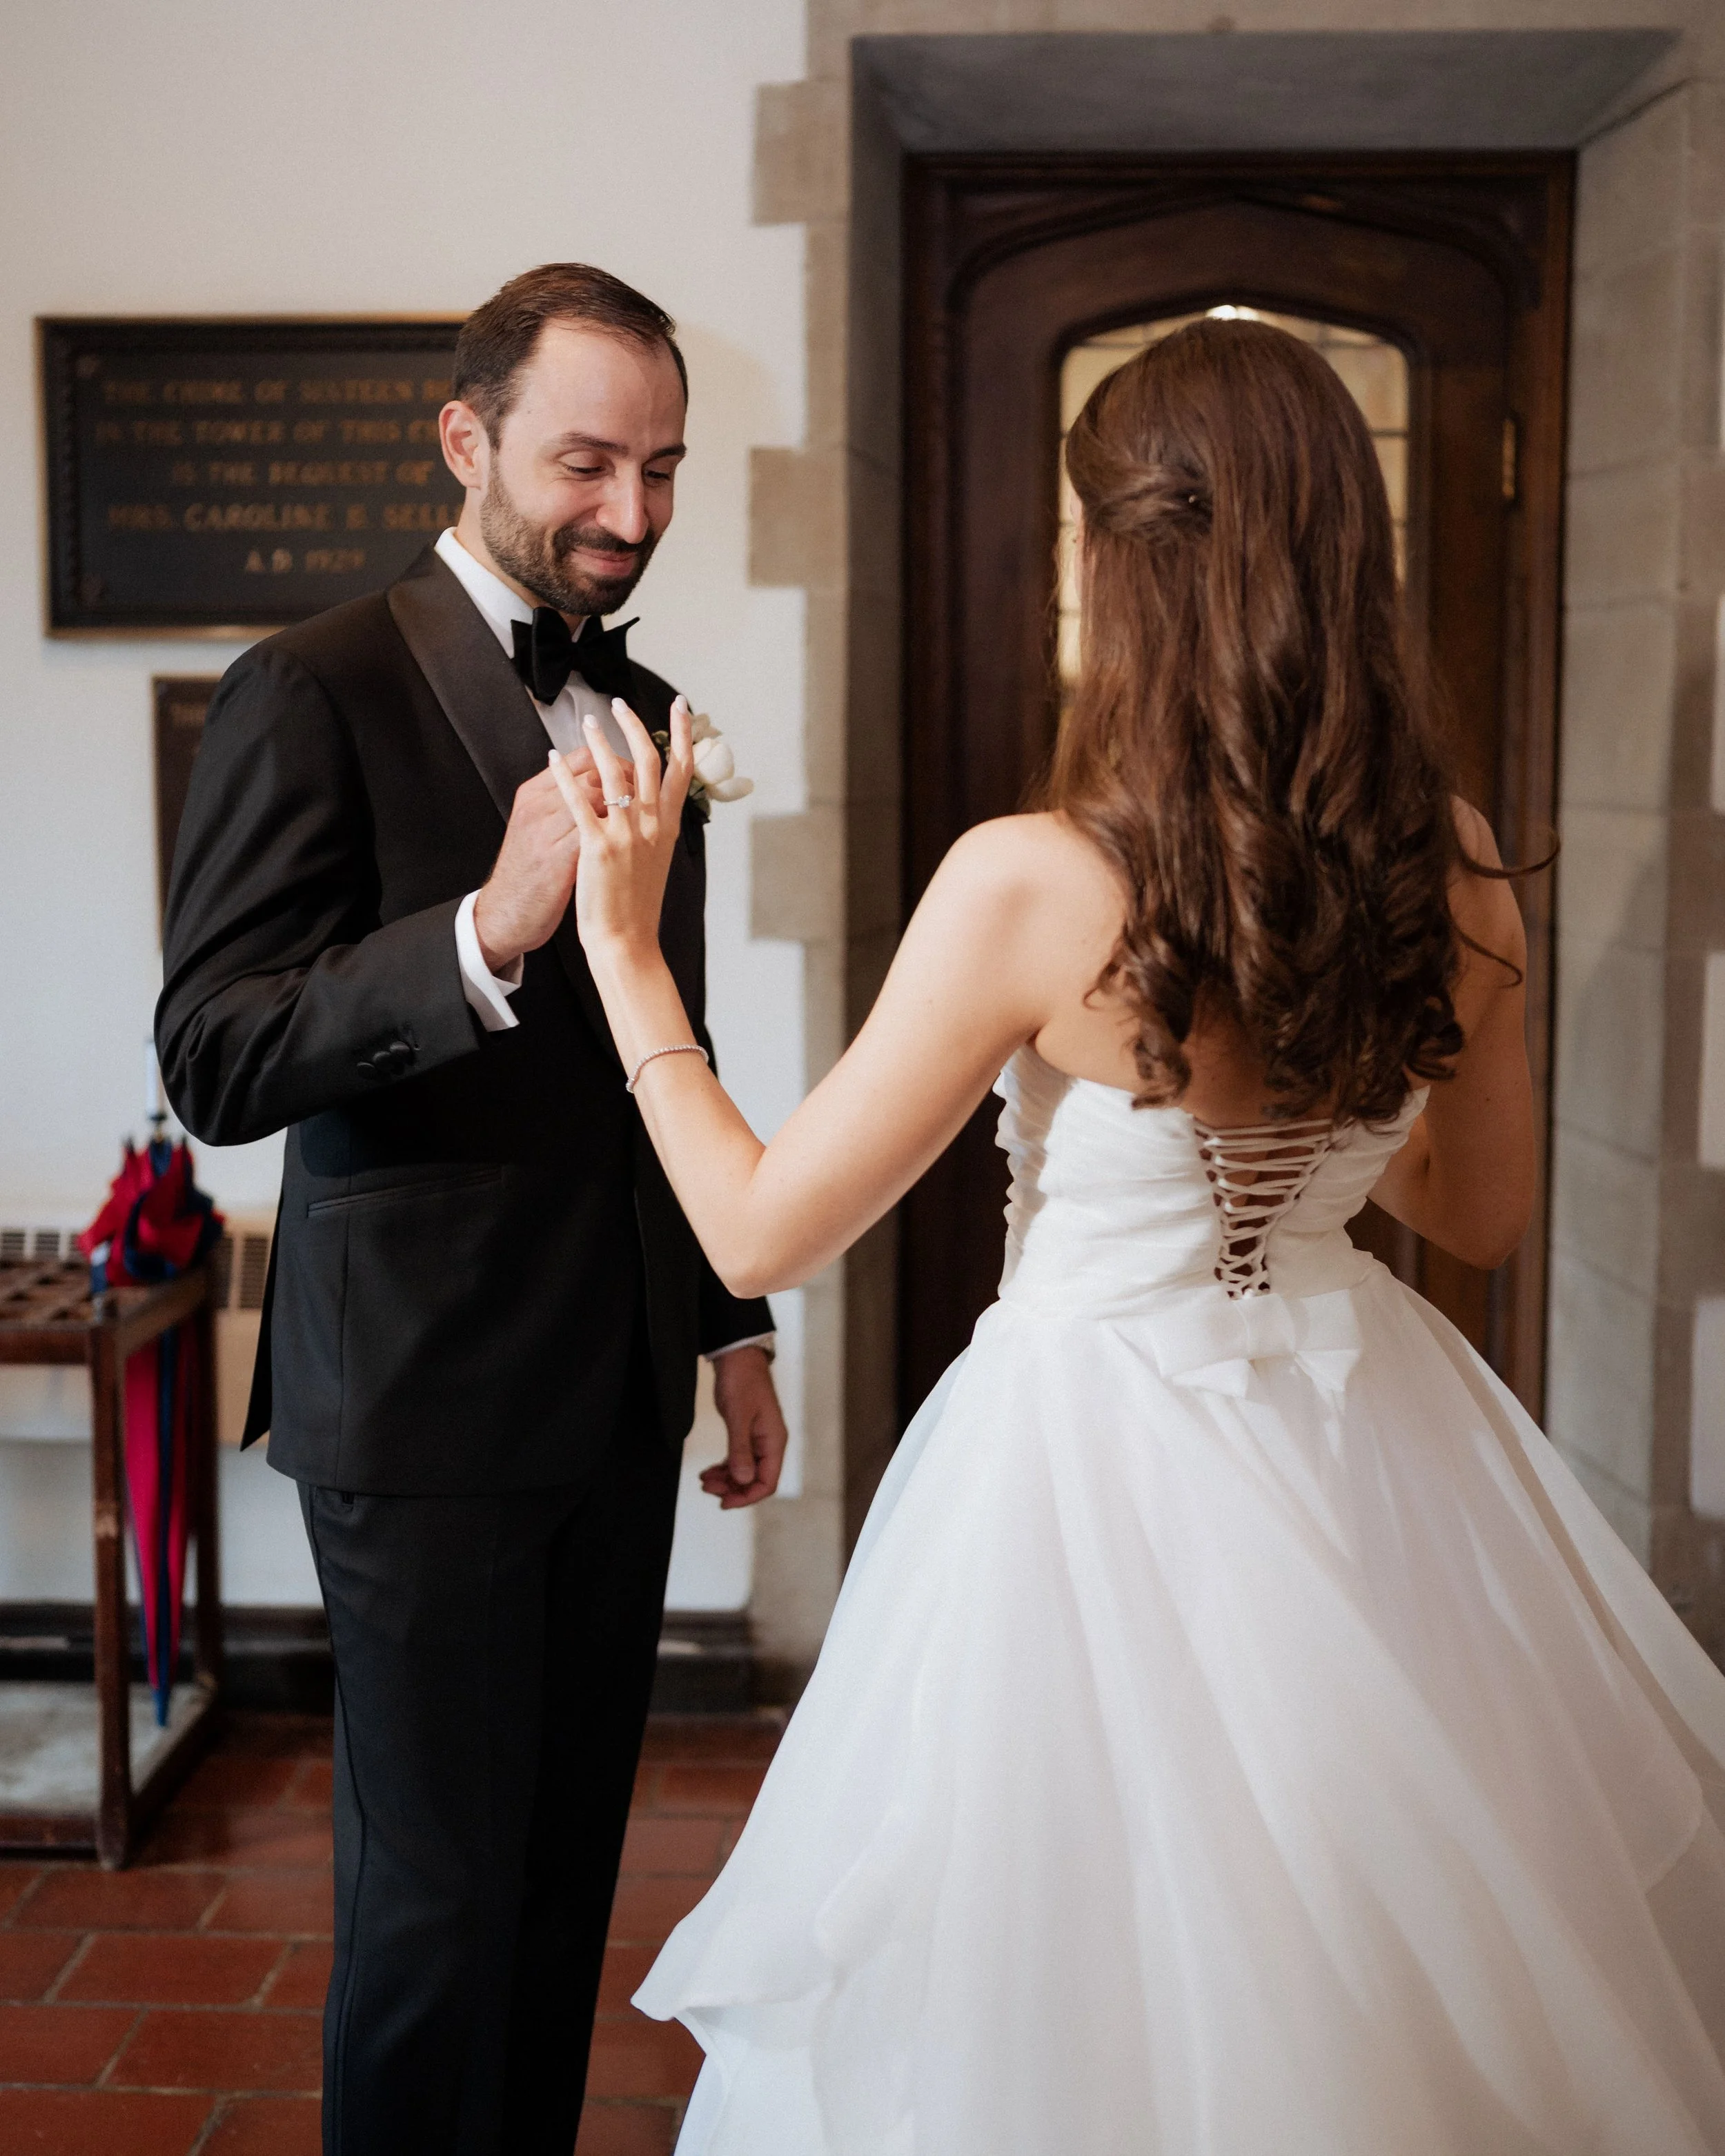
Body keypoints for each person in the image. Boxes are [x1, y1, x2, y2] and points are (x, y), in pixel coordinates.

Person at [558, 317, 1725, 2153]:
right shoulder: (1455, 856)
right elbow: (1476, 1214)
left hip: (1079, 1467)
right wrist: (1331, 1107)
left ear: (1117, 563)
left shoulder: (1037, 878)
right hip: (1364, 1446)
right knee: (1363, 1941)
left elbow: (759, 1221)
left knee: (1060, 1975)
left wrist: (627, 955)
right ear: (1350, 557)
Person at [156, 263, 787, 2156]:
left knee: (553, 1886)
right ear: (467, 439)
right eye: (588, 461)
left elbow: (658, 1052)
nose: (630, 512)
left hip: (615, 1386)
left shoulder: (652, 707)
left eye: (662, 469)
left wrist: (728, 1324)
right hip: (418, 1403)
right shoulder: (312, 686)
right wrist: (481, 934)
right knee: (429, 1911)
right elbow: (217, 1053)